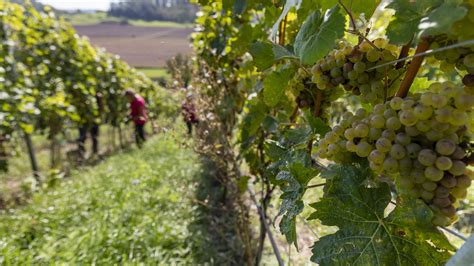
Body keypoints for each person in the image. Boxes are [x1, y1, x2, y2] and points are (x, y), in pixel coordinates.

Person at [78, 92, 104, 159]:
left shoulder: (97, 95)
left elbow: (101, 108)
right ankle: (82, 154)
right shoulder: (82, 94)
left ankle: (94, 152)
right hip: (84, 118)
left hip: (93, 119)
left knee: (94, 137)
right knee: (82, 137)